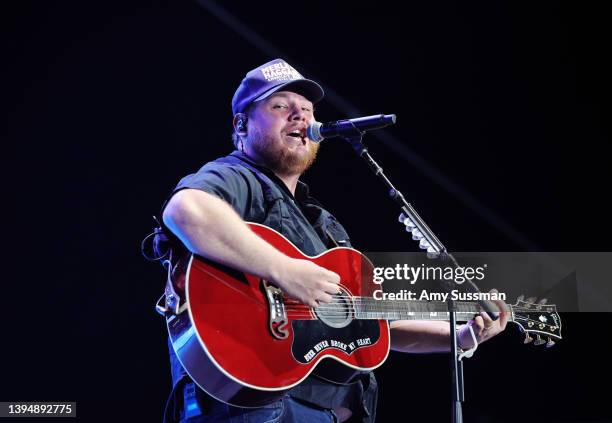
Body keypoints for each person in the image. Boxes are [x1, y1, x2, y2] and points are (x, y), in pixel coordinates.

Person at [158, 58, 508, 422]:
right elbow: (186, 211)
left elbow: (372, 319)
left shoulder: (323, 225)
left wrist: (461, 336)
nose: (299, 117)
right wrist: (284, 270)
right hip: (257, 401)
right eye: (280, 106)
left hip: (319, 408)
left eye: (306, 110)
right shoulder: (237, 176)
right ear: (242, 124)